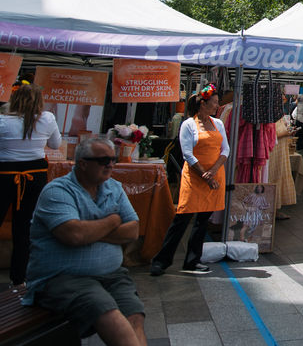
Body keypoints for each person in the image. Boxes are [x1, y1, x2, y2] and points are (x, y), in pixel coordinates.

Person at [24, 137, 146, 345]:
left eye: (112, 159)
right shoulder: (58, 192)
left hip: (111, 275)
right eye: (103, 160)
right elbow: (74, 235)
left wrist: (92, 229)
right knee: (108, 312)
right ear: (82, 163)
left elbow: (133, 230)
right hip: (63, 278)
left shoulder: (113, 188)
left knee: (134, 315)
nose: (110, 165)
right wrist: (113, 221)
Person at [151, 84, 229, 276]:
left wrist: (213, 171)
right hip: (195, 178)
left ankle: (193, 260)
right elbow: (187, 154)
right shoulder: (188, 125)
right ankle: (162, 260)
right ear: (203, 104)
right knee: (182, 219)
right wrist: (205, 174)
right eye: (215, 103)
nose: (217, 106)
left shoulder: (218, 123)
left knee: (202, 221)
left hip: (214, 176)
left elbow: (225, 150)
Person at [0, 81, 61, 286]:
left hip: (5, 176)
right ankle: (19, 278)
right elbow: (55, 144)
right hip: (36, 177)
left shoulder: (2, 121)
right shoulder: (48, 118)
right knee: (24, 228)